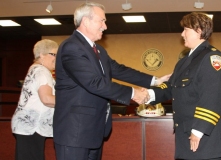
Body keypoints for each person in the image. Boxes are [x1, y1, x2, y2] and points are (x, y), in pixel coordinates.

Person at [53, 1, 171, 160]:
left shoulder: (98, 49)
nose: (105, 26)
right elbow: (94, 83)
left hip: (93, 129)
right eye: (102, 20)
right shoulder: (71, 47)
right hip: (75, 131)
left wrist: (154, 81)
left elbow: (118, 70)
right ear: (86, 21)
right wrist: (132, 93)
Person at [147, 12, 221, 160]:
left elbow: (213, 96)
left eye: (185, 29)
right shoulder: (184, 61)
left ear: (198, 31)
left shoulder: (212, 57)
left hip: (204, 137)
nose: (182, 34)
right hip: (187, 134)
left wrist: (198, 130)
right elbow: (171, 86)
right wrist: (149, 95)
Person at [11, 39, 58, 160]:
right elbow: (47, 99)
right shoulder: (42, 71)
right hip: (31, 127)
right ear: (41, 55)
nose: (57, 58)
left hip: (28, 127)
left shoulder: (35, 69)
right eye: (54, 54)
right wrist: (71, 102)